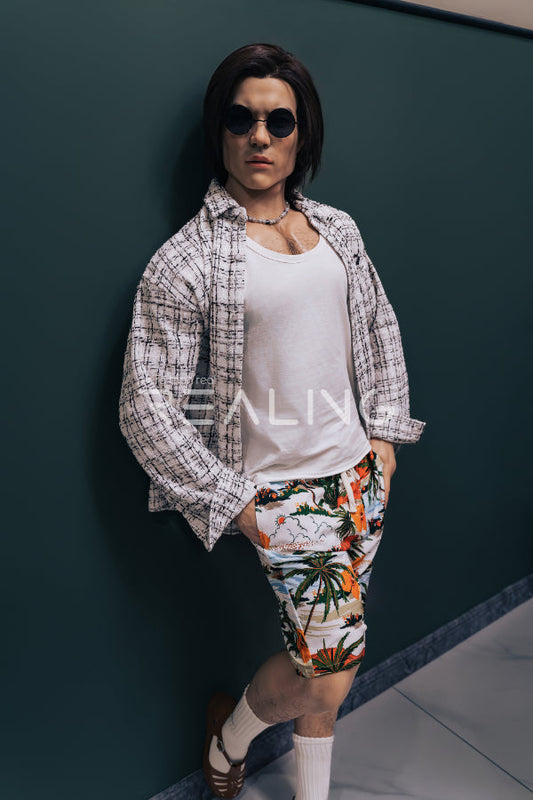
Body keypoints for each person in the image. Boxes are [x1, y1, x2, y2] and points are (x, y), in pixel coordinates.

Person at [118, 42, 426, 800]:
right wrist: (237, 505)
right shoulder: (187, 260)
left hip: (359, 477)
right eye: (241, 119)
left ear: (301, 133)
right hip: (282, 498)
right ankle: (228, 742)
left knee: (320, 662)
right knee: (331, 672)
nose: (259, 136)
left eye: (278, 121)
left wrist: (384, 437)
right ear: (219, 132)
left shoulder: (339, 230)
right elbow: (146, 403)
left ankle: (266, 766)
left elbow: (377, 329)